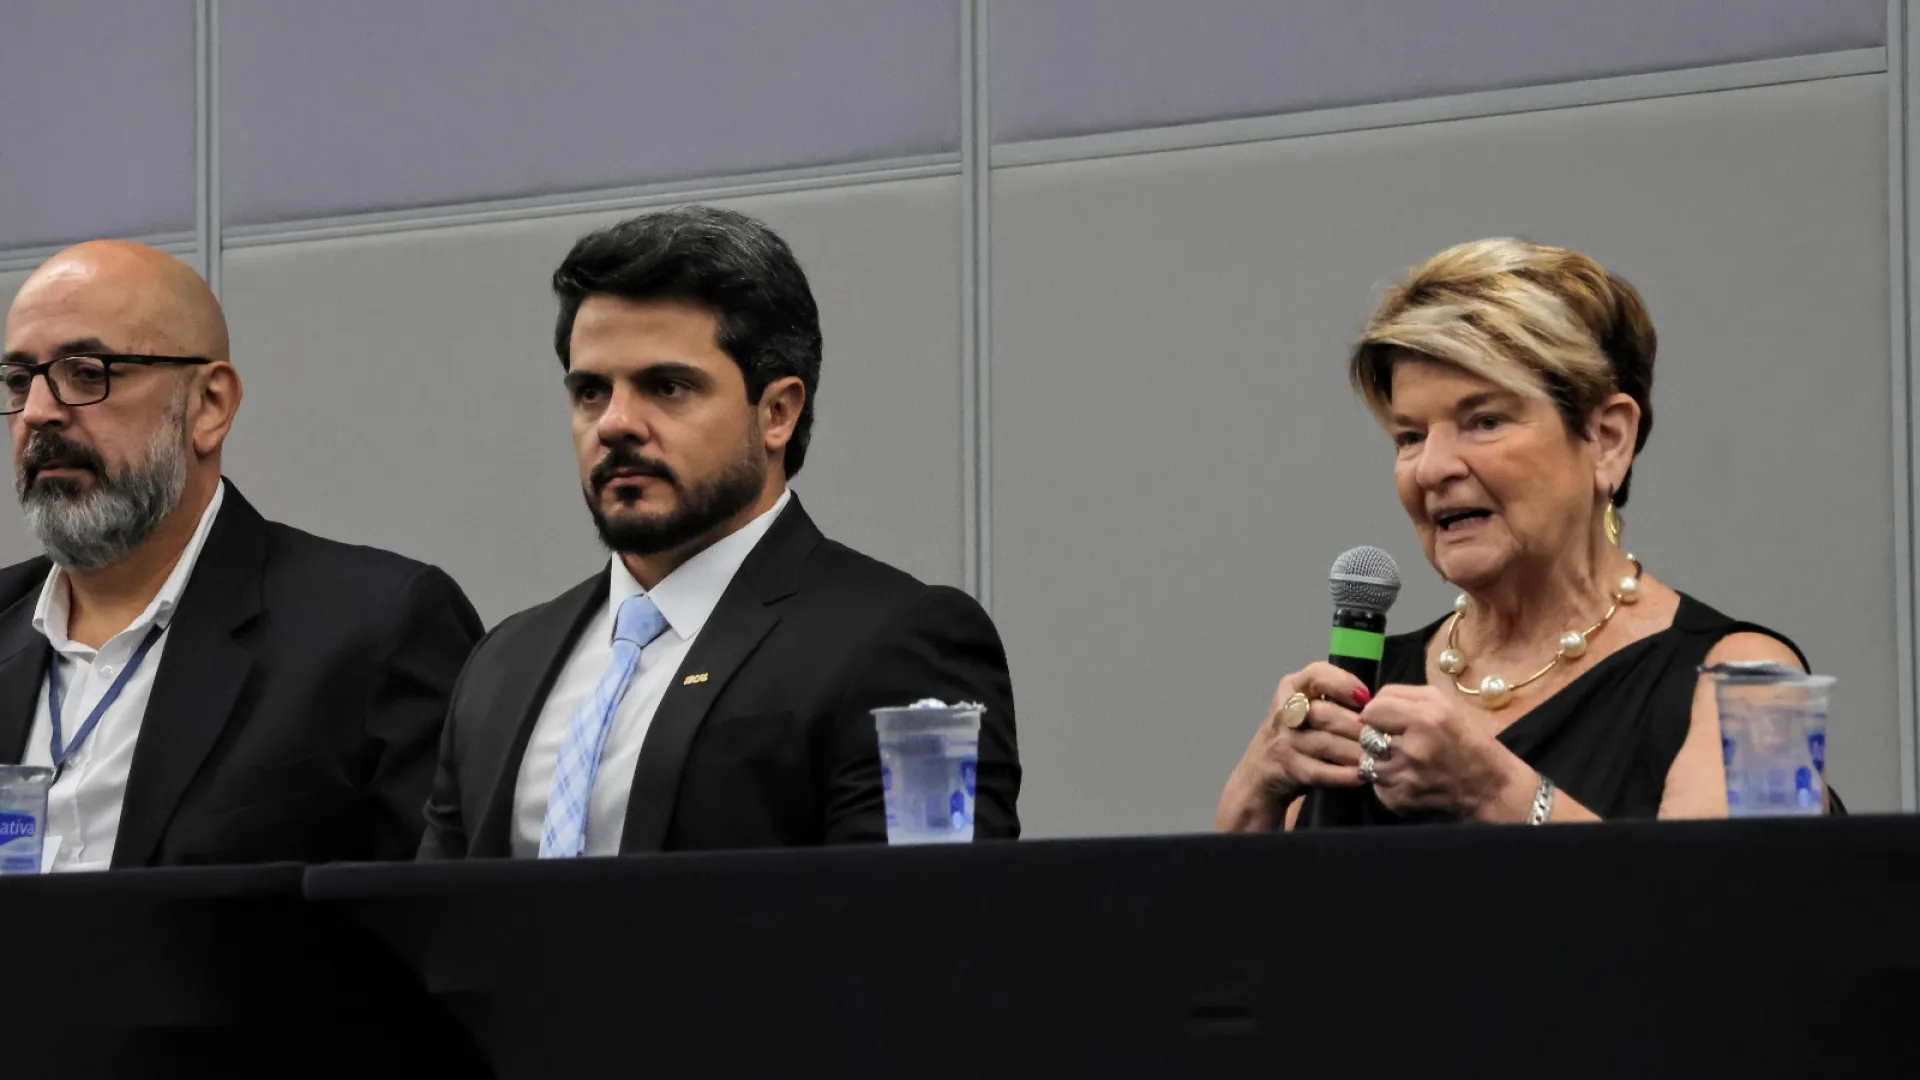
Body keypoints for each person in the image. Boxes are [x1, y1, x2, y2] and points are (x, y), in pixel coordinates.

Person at [418, 206, 1020, 858]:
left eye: (667, 387)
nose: (615, 423)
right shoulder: (503, 663)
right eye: (591, 391)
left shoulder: (894, 640)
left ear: (777, 413)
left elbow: (920, 913)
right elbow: (432, 914)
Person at [1216, 238, 1823, 829]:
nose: (1432, 469)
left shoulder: (1758, 687)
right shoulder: (1368, 688)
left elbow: (1748, 898)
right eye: (1410, 437)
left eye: (1484, 421)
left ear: (1607, 438)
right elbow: (1228, 901)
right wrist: (1256, 785)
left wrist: (1497, 794)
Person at [0, 241, 483, 869]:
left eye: (88, 373)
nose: (38, 413)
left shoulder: (376, 630)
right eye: (18, 381)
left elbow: (438, 916)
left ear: (210, 406)